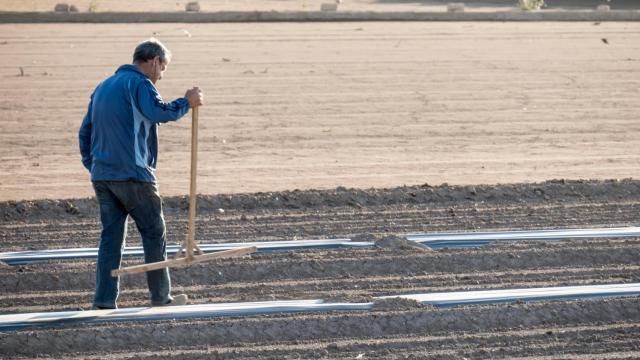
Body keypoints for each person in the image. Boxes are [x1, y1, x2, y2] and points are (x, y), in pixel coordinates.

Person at [78, 38, 203, 309]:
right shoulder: (139, 84)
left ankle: (103, 301)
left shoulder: (102, 87)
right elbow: (158, 112)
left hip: (103, 176)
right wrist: (187, 102)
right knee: (153, 232)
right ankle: (161, 298)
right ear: (154, 61)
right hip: (134, 175)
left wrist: (95, 167)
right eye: (163, 68)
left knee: (110, 239)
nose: (161, 75)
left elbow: (84, 131)